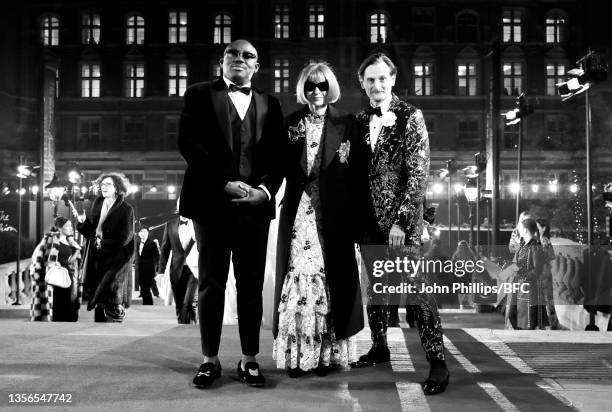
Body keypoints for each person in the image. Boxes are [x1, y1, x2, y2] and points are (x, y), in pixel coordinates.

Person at [178, 39, 284, 388]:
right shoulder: (197, 94)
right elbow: (188, 144)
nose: (240, 59)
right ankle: (209, 360)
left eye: (248, 56)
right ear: (221, 62)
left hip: (253, 208)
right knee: (211, 283)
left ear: (257, 66)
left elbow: (277, 156)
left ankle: (249, 359)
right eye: (233, 54)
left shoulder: (271, 103)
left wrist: (263, 191)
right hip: (210, 204)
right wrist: (223, 182)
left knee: (251, 286)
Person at [350, 53, 449, 396]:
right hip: (367, 224)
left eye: (382, 79)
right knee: (376, 290)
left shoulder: (411, 116)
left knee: (417, 292)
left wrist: (403, 222)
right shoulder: (359, 120)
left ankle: (437, 362)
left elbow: (418, 173)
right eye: (369, 80)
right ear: (362, 84)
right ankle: (379, 347)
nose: (376, 85)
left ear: (392, 79)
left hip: (401, 226)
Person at [271, 63, 363, 378]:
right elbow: (276, 168)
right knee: (298, 273)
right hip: (298, 213)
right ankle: (298, 356)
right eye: (310, 86)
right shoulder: (290, 122)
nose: (317, 92)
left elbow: (356, 175)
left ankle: (325, 355)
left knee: (331, 277)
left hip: (334, 216)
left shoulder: (347, 124)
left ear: (331, 88)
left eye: (322, 86)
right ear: (303, 89)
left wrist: (356, 218)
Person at [74, 172, 135, 323]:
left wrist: (104, 242)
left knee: (111, 291)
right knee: (99, 293)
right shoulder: (98, 204)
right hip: (99, 254)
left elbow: (125, 238)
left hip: (118, 255)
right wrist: (83, 223)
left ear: (117, 188)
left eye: (108, 184)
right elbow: (93, 233)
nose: (104, 187)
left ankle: (115, 320)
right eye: (102, 185)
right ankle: (99, 328)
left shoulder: (126, 209)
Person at [30, 216, 82, 322]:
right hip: (58, 278)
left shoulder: (69, 241)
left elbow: (70, 261)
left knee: (71, 305)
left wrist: (77, 250)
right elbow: (41, 255)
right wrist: (52, 264)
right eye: (67, 226)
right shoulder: (51, 240)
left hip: (70, 276)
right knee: (60, 305)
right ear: (59, 228)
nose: (71, 228)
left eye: (71, 226)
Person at [158, 210, 198, 323]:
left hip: (194, 270)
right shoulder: (170, 224)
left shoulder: (198, 224)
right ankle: (185, 325)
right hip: (176, 270)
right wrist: (160, 271)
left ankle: (189, 323)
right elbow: (165, 249)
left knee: (188, 302)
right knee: (180, 305)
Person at [507, 218, 544, 330]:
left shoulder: (535, 247)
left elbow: (537, 271)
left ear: (526, 230)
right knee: (512, 316)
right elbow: (516, 263)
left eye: (521, 229)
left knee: (527, 323)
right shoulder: (523, 245)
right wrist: (504, 273)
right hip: (519, 288)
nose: (519, 231)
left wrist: (522, 275)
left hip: (528, 291)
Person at [135, 226, 160, 305]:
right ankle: (146, 303)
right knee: (143, 287)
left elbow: (157, 257)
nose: (143, 233)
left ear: (148, 233)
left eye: (145, 232)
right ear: (139, 234)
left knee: (146, 288)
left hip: (149, 269)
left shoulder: (152, 243)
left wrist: (158, 269)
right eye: (141, 232)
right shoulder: (138, 244)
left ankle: (148, 303)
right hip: (140, 269)